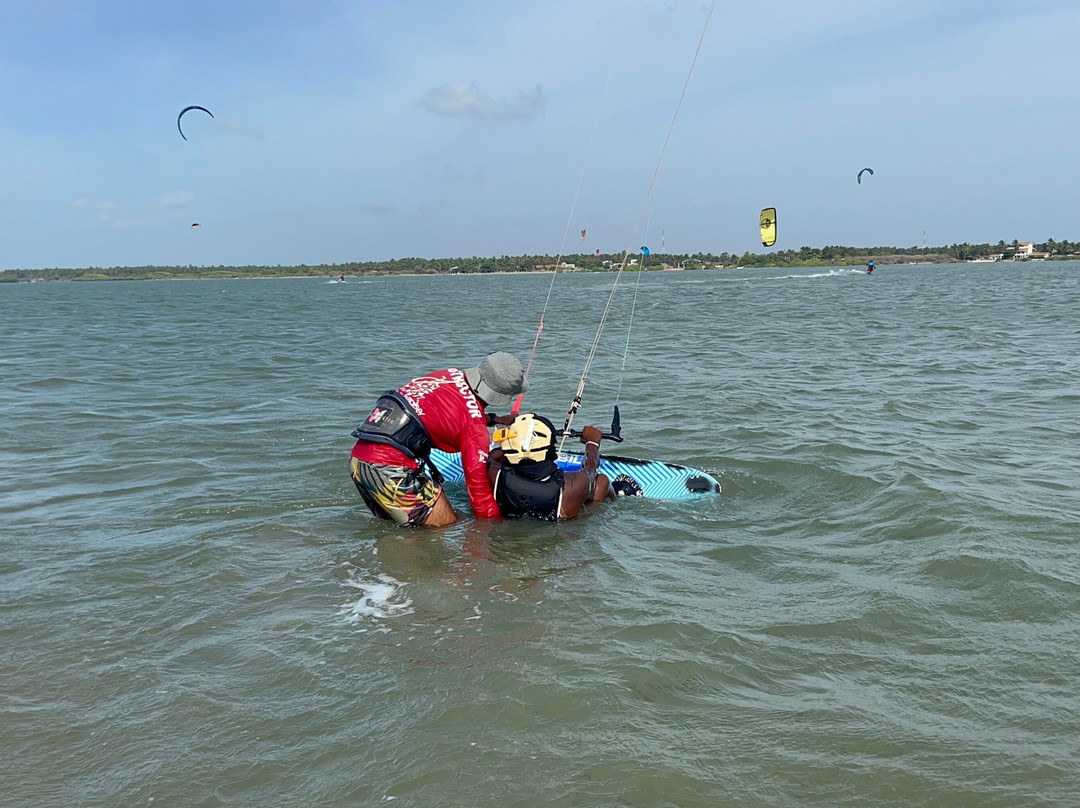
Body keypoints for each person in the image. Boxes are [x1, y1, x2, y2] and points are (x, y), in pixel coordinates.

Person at [349, 352, 527, 527]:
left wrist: (494, 419)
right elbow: (479, 496)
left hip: (359, 459)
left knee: (402, 533)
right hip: (390, 468)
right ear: (501, 396)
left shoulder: (448, 375)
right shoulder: (474, 430)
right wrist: (499, 526)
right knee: (445, 525)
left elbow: (450, 411)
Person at [486, 413, 613, 521]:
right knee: (601, 481)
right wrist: (592, 442)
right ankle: (621, 491)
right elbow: (591, 468)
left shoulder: (494, 473)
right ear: (551, 450)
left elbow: (495, 454)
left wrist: (500, 421)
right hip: (558, 534)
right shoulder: (572, 485)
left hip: (510, 526)